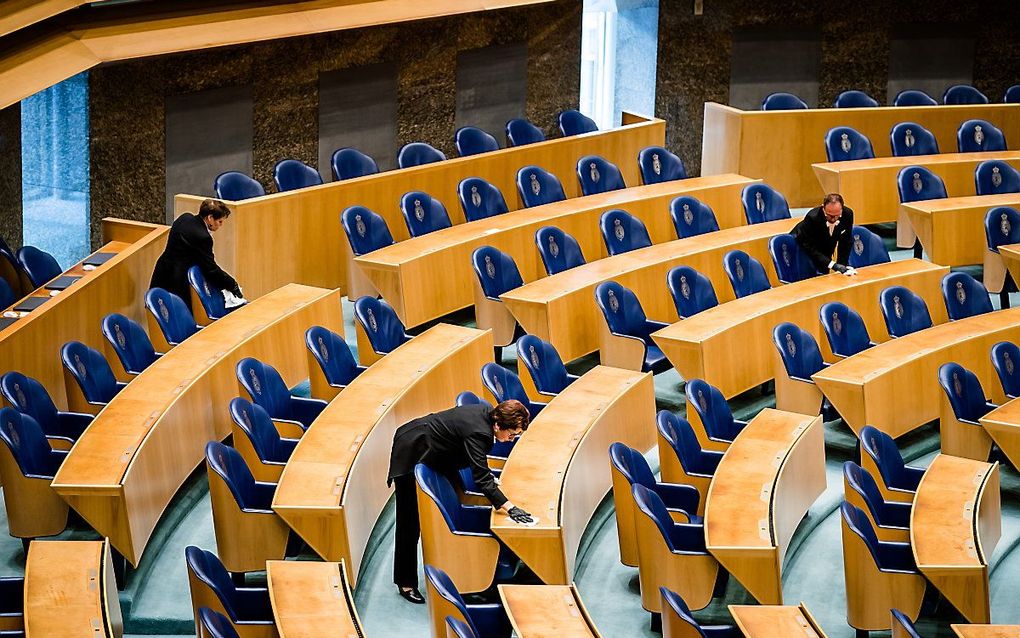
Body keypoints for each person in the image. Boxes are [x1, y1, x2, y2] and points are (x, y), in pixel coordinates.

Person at [387, 400, 534, 603]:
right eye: (512, 434)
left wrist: (489, 478)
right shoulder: (480, 432)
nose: (511, 440)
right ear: (498, 425)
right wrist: (510, 507)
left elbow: (476, 463)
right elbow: (481, 478)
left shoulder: (489, 414)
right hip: (412, 449)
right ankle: (405, 582)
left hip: (437, 450)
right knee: (409, 520)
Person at [149, 199, 243, 311]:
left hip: (162, 270)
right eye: (220, 222)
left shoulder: (185, 217)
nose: (220, 226)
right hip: (177, 281)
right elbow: (210, 269)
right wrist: (231, 283)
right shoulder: (203, 237)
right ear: (210, 218)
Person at [791, 192, 856, 274]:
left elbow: (846, 241)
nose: (833, 219)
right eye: (830, 216)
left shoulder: (847, 214)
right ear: (823, 208)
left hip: (824, 247)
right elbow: (810, 247)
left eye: (837, 215)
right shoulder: (812, 218)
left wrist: (842, 266)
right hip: (802, 245)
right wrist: (832, 265)